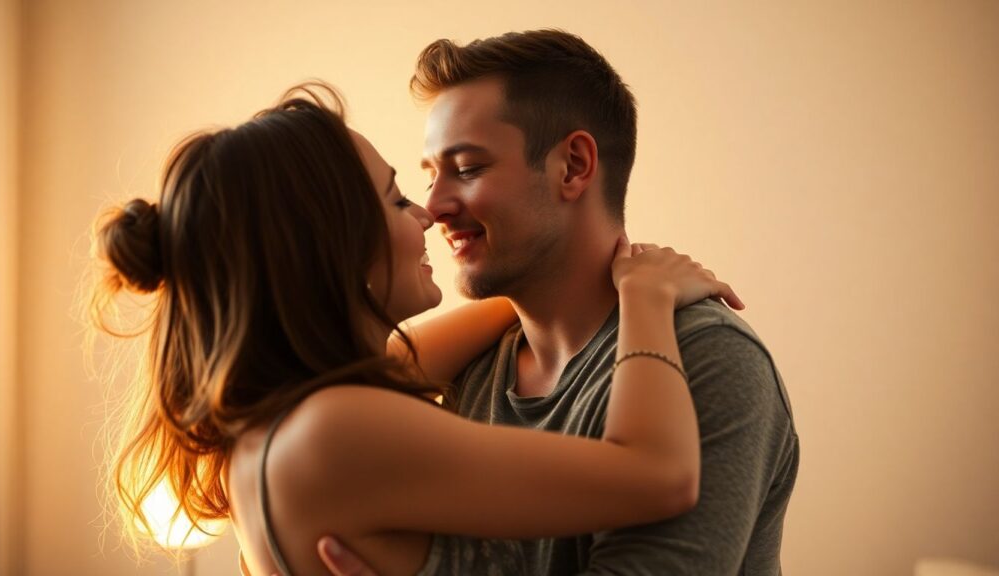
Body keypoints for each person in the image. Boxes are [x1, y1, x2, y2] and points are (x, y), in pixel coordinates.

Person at [89, 82, 743, 576]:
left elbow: (404, 362)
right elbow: (658, 475)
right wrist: (647, 296)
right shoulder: (335, 432)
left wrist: (542, 274)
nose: (426, 214)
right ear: (331, 244)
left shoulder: (274, 431)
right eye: (397, 197)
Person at [317, 30, 799, 575]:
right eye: (430, 175)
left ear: (572, 166)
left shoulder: (707, 359)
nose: (433, 206)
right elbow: (352, 388)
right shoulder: (471, 366)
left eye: (469, 168)